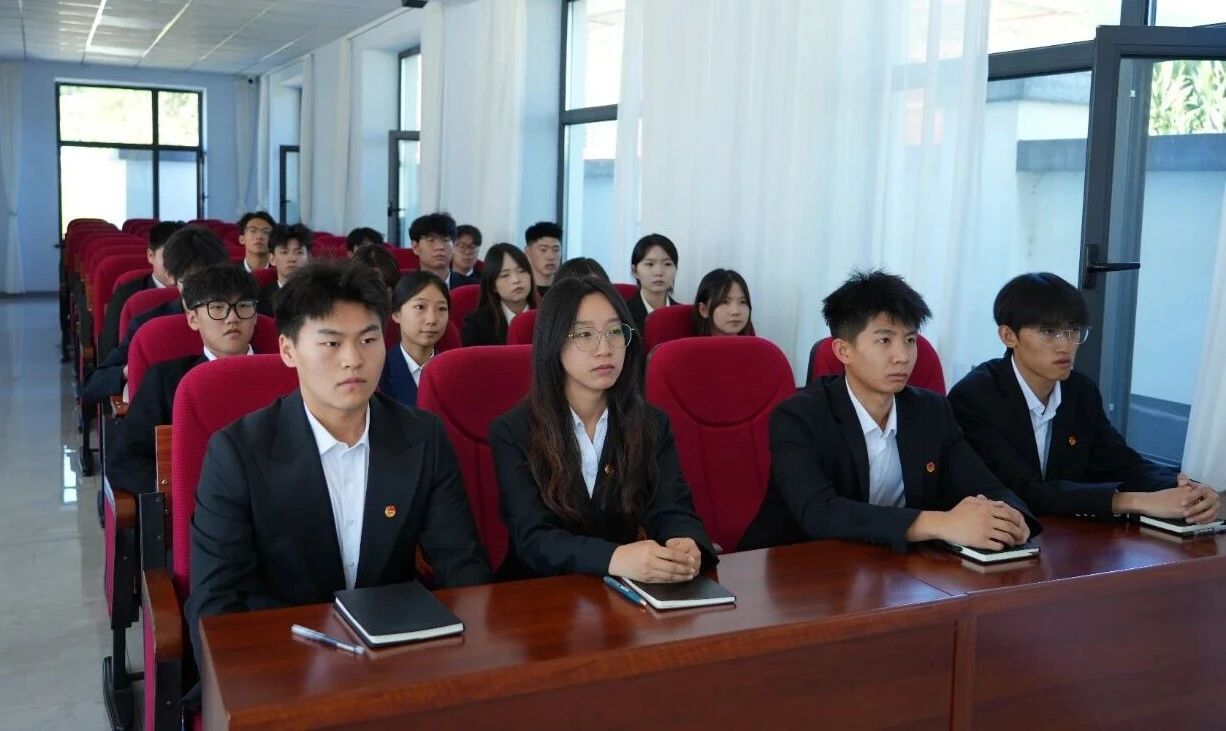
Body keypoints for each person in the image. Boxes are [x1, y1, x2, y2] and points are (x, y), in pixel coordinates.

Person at [187, 260, 491, 662]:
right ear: (288, 350)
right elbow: (216, 603)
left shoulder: (422, 436)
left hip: (395, 654)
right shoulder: (237, 452)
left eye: (368, 340)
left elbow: (461, 565)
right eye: (331, 343)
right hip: (281, 660)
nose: (353, 359)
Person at [739, 269, 1040, 553]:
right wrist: (939, 523)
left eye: (910, 340)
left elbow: (986, 486)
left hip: (889, 568)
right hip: (796, 569)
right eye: (884, 340)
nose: (902, 356)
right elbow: (820, 513)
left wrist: (1013, 518)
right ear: (843, 351)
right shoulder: (798, 417)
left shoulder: (931, 411)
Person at [490, 276, 717, 581]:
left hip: (624, 591)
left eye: (614, 331)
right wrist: (614, 558)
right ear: (553, 342)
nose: (604, 349)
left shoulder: (651, 423)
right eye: (585, 334)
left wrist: (686, 541)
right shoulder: (514, 431)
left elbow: (673, 508)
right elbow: (534, 538)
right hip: (540, 593)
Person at [949, 272, 1220, 523]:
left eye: (1073, 330)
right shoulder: (974, 397)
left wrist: (1186, 488)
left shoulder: (1080, 391)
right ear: (1009, 336)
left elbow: (1122, 463)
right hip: (1002, 538)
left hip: (1069, 534)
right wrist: (1135, 502)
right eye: (1049, 332)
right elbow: (1021, 491)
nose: (1065, 345)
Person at [107, 264, 259, 495]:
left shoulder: (285, 373)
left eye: (243, 306)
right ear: (193, 319)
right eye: (217, 307)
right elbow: (125, 461)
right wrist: (176, 493)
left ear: (255, 315)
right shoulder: (166, 379)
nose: (232, 318)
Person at [83, 226, 230, 404]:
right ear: (172, 277)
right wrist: (130, 371)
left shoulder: (241, 318)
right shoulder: (148, 325)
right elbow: (93, 383)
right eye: (191, 280)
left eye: (210, 280)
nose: (201, 289)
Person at [97, 220, 185, 361]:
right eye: (169, 257)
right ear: (150, 256)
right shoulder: (127, 293)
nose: (177, 264)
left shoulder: (199, 290)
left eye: (183, 257)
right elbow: (109, 348)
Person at [380, 272, 450, 408]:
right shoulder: (379, 372)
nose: (432, 320)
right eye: (420, 307)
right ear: (396, 314)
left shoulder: (454, 372)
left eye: (441, 309)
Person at [461, 243, 538, 346]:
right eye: (505, 275)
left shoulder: (549, 316)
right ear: (493, 285)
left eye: (521, 271)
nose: (516, 280)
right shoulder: (477, 325)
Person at [626, 234, 678, 333]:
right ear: (634, 271)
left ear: (676, 269)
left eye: (667, 264)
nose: (658, 272)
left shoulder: (685, 315)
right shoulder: (622, 314)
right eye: (650, 264)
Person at [258, 223, 313, 316]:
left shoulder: (321, 296)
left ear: (309, 258)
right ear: (272, 259)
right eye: (284, 252)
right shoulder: (260, 298)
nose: (292, 259)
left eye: (299, 252)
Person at [410, 212, 468, 289]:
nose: (440, 247)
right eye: (431, 240)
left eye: (446, 240)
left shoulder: (471, 287)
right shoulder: (403, 287)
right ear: (415, 247)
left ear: (454, 246)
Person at [693, 268, 754, 336]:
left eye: (743, 302)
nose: (736, 311)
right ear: (704, 310)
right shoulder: (690, 343)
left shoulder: (757, 342)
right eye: (724, 302)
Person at [523, 221, 563, 297]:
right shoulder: (522, 292)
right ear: (527, 252)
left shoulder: (568, 290)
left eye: (556, 250)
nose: (551, 256)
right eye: (543, 250)